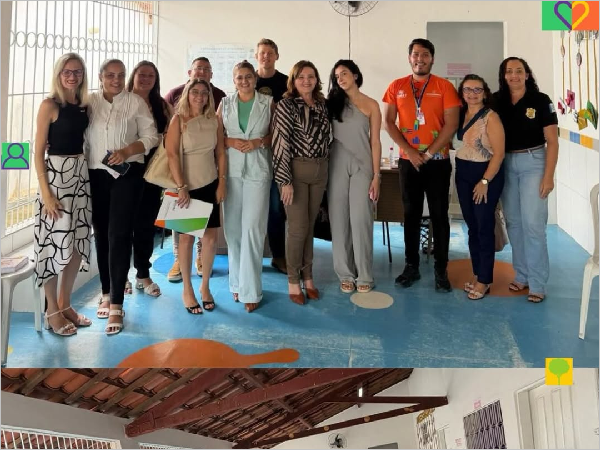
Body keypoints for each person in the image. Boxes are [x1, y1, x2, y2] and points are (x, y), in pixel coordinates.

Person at [85, 59, 159, 335]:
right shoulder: (89, 102)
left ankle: (117, 303)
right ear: (100, 76)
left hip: (127, 175)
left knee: (119, 234)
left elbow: (151, 137)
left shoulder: (135, 102)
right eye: (110, 75)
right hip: (95, 174)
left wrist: (127, 151)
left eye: (121, 75)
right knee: (101, 234)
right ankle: (106, 292)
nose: (116, 80)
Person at [382, 38, 461, 292]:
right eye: (415, 54)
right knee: (410, 215)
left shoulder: (444, 87)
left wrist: (426, 154)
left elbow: (451, 124)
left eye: (425, 54)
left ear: (432, 59)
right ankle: (411, 266)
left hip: (437, 162)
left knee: (439, 216)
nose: (420, 59)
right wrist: (410, 152)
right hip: (408, 163)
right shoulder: (396, 86)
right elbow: (388, 122)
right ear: (409, 58)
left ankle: (441, 270)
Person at [33, 52, 92, 336]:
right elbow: (37, 152)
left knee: (78, 243)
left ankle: (65, 304)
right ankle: (51, 311)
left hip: (80, 177)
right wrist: (46, 194)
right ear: (58, 74)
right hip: (56, 179)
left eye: (77, 72)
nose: (72, 76)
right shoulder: (50, 105)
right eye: (67, 71)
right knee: (52, 246)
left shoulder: (84, 106)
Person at [492, 57, 559, 303]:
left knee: (533, 224)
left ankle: (537, 283)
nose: (514, 75)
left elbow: (552, 141)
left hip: (534, 162)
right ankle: (522, 275)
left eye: (519, 71)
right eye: (509, 71)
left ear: (527, 75)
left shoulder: (540, 100)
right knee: (514, 223)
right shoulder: (496, 101)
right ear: (503, 76)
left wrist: (548, 176)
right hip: (506, 163)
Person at [165, 79, 227, 314]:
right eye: (195, 92)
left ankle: (205, 287)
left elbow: (220, 153)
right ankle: (187, 289)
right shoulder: (178, 120)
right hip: (186, 187)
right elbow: (172, 154)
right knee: (186, 240)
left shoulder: (214, 120)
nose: (200, 96)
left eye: (204, 92)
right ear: (187, 94)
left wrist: (222, 182)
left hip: (210, 183)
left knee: (210, 239)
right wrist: (181, 186)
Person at [272, 60, 331, 305]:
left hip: (320, 171)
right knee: (297, 229)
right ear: (293, 80)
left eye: (311, 76)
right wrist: (284, 180)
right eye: (301, 77)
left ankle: (308, 276)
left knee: (309, 227)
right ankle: (293, 280)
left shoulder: (322, 104)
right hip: (295, 172)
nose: (306, 81)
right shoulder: (286, 105)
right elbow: (280, 143)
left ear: (317, 79)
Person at [218, 60, 273, 312]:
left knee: (252, 228)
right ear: (234, 80)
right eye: (239, 77)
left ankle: (251, 290)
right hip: (231, 171)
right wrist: (230, 141)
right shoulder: (225, 103)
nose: (244, 81)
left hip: (257, 171)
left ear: (255, 79)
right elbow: (216, 135)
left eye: (248, 76)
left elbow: (276, 134)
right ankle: (237, 284)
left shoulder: (268, 103)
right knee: (233, 230)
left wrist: (259, 142)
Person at [326, 59, 381, 294]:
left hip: (363, 165)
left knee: (361, 219)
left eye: (344, 73)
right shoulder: (331, 104)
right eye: (337, 76)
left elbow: (375, 141)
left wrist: (377, 175)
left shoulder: (371, 105)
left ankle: (365, 274)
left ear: (356, 75)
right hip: (336, 164)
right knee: (339, 219)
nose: (340, 78)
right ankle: (345, 274)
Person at [455, 74, 505, 300]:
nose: (472, 94)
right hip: (463, 174)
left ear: (485, 93)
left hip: (485, 175)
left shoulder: (491, 117)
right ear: (462, 92)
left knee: (484, 227)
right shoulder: (460, 114)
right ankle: (478, 274)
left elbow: (499, 154)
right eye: (467, 89)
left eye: (477, 89)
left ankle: (485, 280)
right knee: (472, 227)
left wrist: (485, 181)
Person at [126, 61, 173, 297]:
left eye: (151, 76)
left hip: (153, 172)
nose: (145, 79)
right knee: (123, 225)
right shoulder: (122, 101)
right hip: (125, 170)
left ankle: (143, 274)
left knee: (145, 225)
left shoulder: (161, 105)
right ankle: (120, 276)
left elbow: (174, 133)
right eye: (141, 74)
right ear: (133, 76)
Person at [255, 38, 289, 274]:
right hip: (252, 153)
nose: (265, 56)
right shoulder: (249, 79)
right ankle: (252, 256)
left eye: (270, 53)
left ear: (277, 56)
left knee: (276, 209)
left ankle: (278, 256)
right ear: (256, 56)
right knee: (253, 208)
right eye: (262, 53)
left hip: (278, 153)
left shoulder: (286, 82)